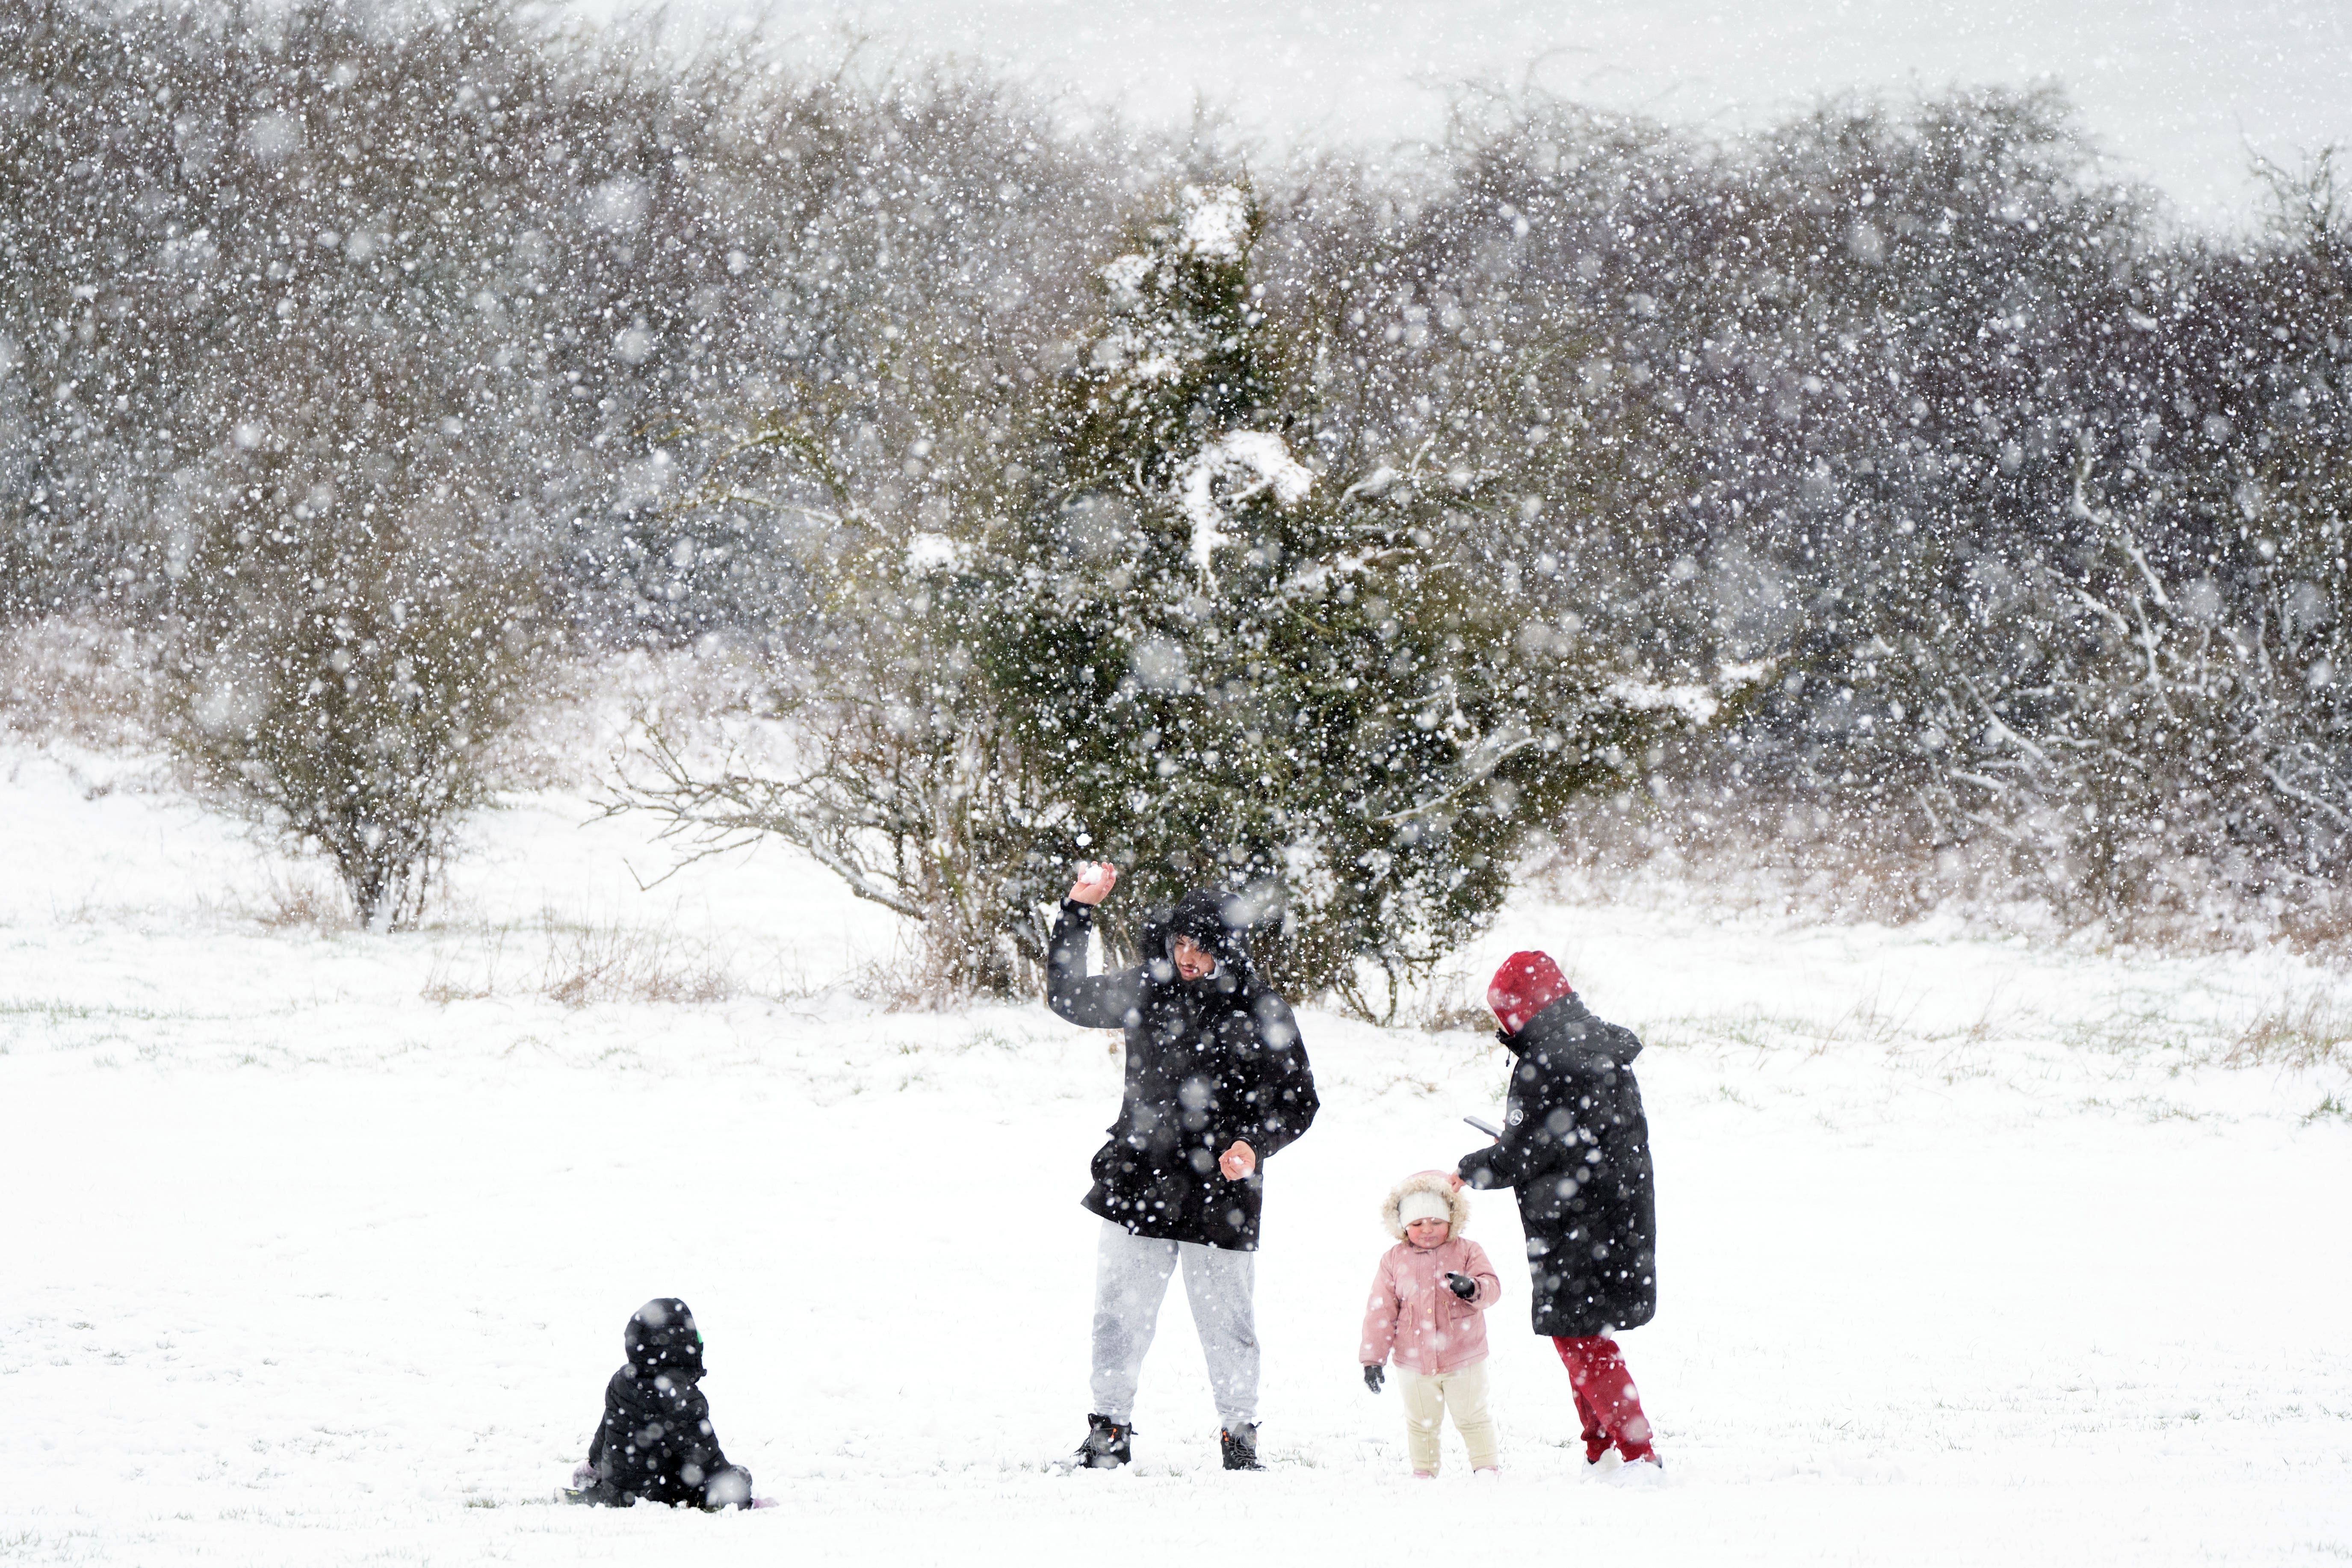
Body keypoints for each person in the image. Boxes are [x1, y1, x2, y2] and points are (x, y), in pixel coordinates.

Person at [1046, 861, 1320, 1472]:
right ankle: (1108, 1430)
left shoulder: (1261, 1007)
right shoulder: (1148, 985)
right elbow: (1067, 995)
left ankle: (1239, 1434)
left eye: (1201, 947)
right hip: (1137, 1176)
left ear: (1228, 948)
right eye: (1180, 943)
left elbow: (1301, 1100)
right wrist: (1075, 912)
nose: (1188, 956)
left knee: (1229, 1324)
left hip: (1222, 1189)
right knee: (1117, 1314)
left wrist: (1255, 1143)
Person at [1457, 951, 1663, 1472]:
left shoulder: (1544, 1061)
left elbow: (1521, 1154)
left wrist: (1472, 1166)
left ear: (1522, 1008)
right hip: (1619, 1213)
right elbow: (1580, 1137)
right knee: (1581, 1335)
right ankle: (1601, 1451)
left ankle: (1638, 1456)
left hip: (1572, 1222)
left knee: (1581, 1339)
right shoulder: (1600, 1047)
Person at [1358, 1169, 1503, 1478]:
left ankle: (1486, 1468)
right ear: (1403, 1225)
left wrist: (1472, 1287)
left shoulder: (1467, 1251)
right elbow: (1380, 1310)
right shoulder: (1393, 1259)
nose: (1427, 1230)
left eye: (1437, 1221)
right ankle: (1424, 1473)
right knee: (1421, 1420)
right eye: (1417, 1223)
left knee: (1472, 1415)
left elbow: (1492, 1287)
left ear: (1452, 1218)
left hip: (1463, 1356)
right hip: (1413, 1361)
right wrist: (1373, 1359)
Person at [565, 1297, 755, 1509]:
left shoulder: (622, 1381)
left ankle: (601, 1492)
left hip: (617, 1490)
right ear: (682, 1347)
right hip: (656, 1494)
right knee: (741, 1476)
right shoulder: (681, 1397)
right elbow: (707, 1459)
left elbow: (607, 1430)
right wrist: (740, 1496)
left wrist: (593, 1467)